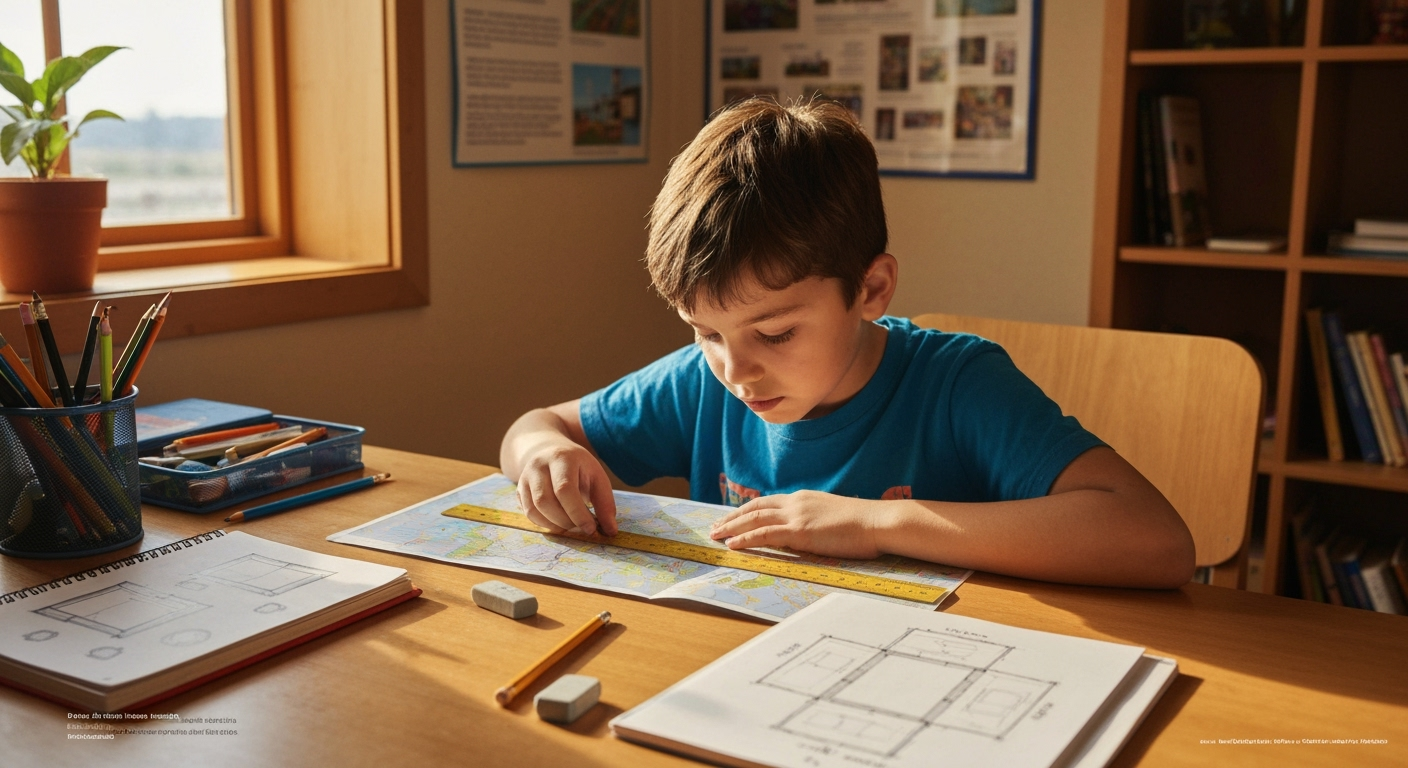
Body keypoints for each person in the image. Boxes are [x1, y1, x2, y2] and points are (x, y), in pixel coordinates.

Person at [500, 98, 1195, 588]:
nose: (735, 369)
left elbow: (1156, 543)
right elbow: (540, 426)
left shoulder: (957, 385)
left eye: (775, 332)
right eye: (705, 331)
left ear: (870, 289)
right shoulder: (701, 381)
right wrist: (543, 453)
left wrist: (877, 523)